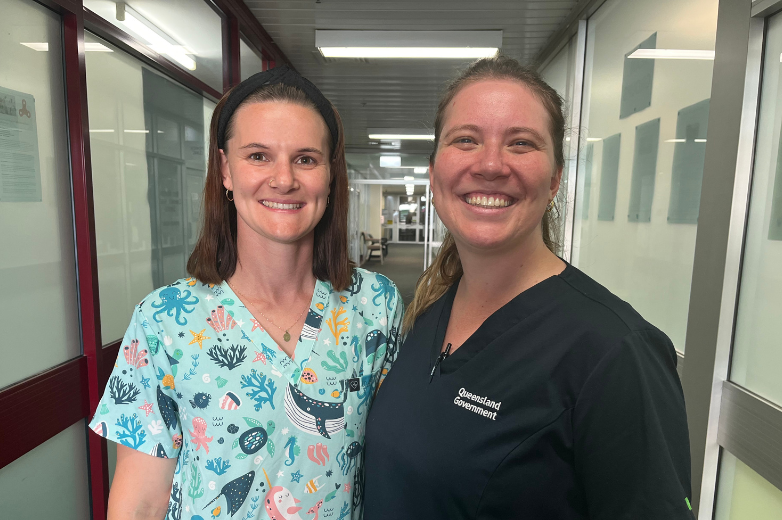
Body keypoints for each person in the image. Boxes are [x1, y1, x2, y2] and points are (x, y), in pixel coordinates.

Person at [363, 56, 693, 519]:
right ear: (434, 174)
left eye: (521, 143)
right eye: (466, 140)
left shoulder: (615, 352)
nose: (492, 164)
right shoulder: (426, 311)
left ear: (556, 178)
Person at [89, 66, 403, 520]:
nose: (283, 179)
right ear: (225, 170)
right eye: (258, 155)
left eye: (306, 159)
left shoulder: (375, 306)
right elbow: (141, 502)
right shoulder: (164, 320)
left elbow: (393, 461)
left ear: (330, 177)